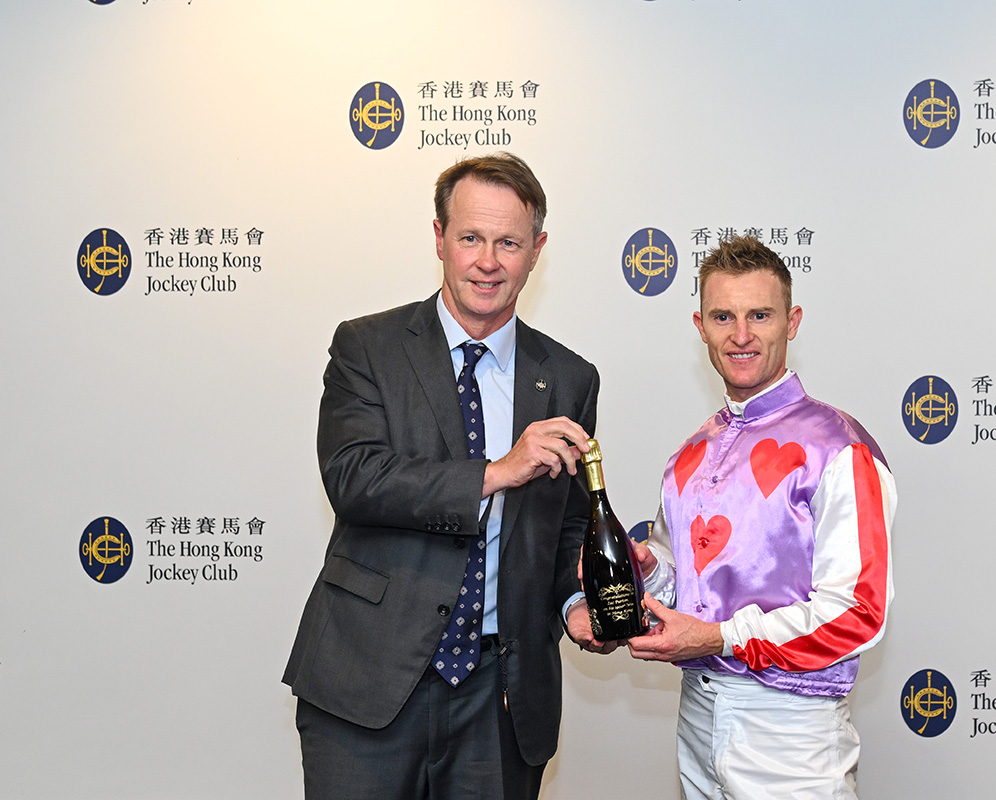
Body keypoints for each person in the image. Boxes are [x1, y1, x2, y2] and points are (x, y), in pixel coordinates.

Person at [283, 152, 613, 799]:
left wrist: (579, 603)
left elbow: (567, 524)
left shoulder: (570, 379)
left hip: (500, 697)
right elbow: (354, 477)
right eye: (470, 238)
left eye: (509, 243)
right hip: (368, 686)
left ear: (536, 250)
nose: (488, 261)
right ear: (439, 239)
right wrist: (496, 472)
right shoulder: (367, 348)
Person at [626, 235, 897, 800]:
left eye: (760, 315)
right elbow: (690, 594)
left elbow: (858, 613)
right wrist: (649, 574)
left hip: (791, 726)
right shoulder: (688, 455)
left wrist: (721, 636)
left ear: (791, 321)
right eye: (723, 316)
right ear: (700, 326)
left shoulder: (839, 447)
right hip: (697, 713)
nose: (741, 335)